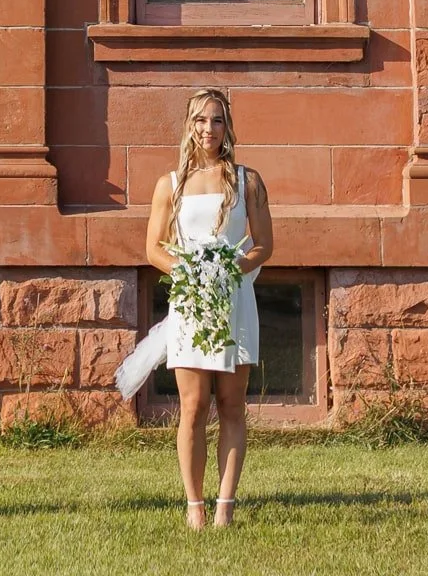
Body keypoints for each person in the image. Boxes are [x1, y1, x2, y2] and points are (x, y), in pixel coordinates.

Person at [144, 87, 274, 530]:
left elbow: (264, 246)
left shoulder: (247, 181)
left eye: (216, 120)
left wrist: (233, 268)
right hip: (192, 303)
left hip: (235, 300)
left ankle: (225, 507)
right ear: (188, 125)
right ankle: (195, 507)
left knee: (232, 405)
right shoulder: (170, 184)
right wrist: (189, 273)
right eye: (200, 120)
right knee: (194, 405)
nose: (208, 129)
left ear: (227, 126)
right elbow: (153, 248)